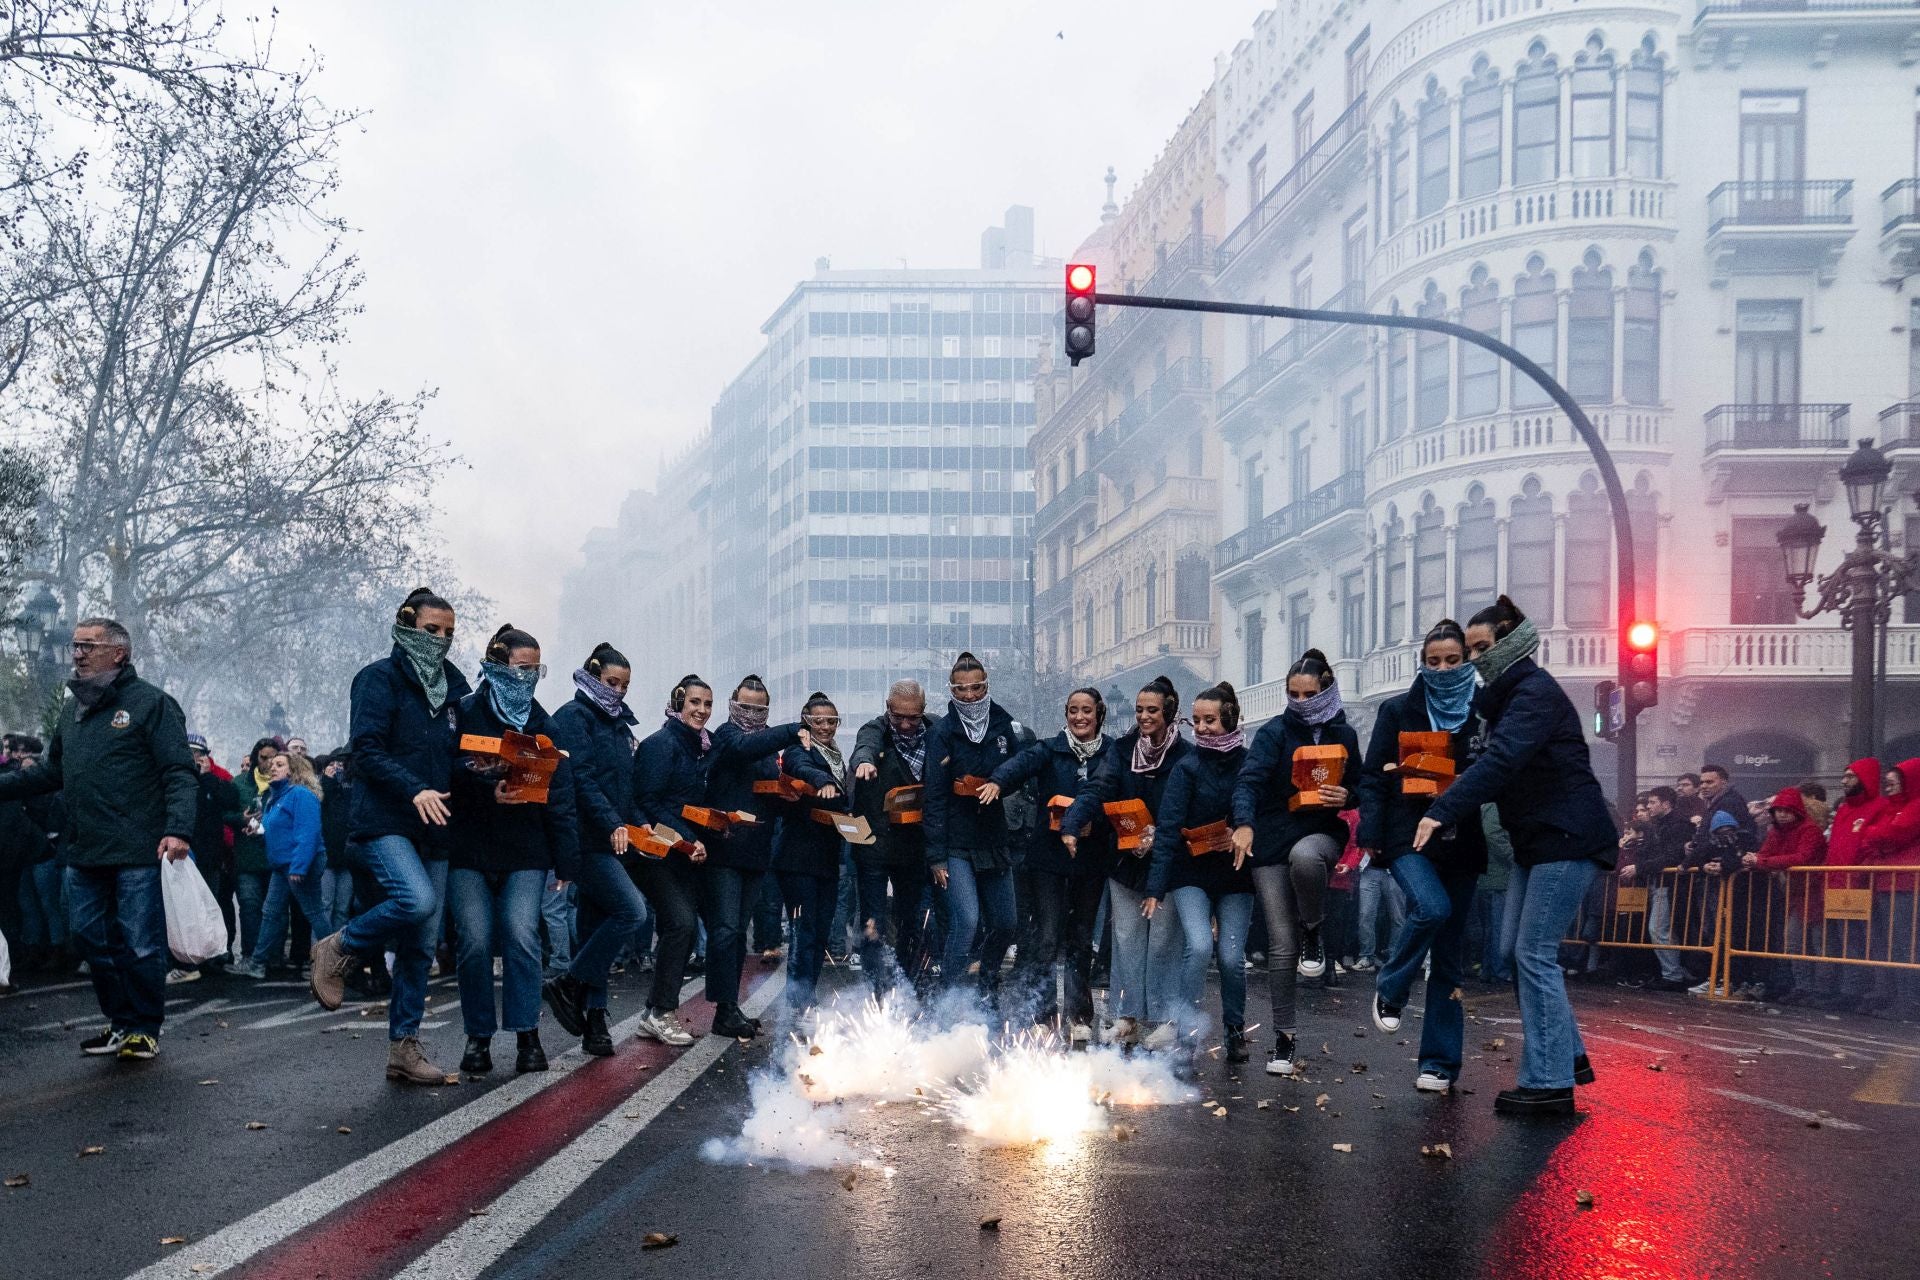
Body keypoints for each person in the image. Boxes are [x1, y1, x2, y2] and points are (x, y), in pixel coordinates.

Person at [1416, 596, 1616, 1117]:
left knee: (1533, 953)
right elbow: (1485, 758)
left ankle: (1548, 1082)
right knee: (1512, 949)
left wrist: (1444, 808)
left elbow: (1502, 761)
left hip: (1565, 836)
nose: (1477, 658)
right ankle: (1566, 1056)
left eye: (1484, 648)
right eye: (1473, 649)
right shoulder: (1508, 699)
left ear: (1510, 643)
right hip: (1539, 841)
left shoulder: (1533, 694)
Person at [0, 618, 197, 1061]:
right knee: (88, 938)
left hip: (138, 850)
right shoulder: (74, 710)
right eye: (75, 645)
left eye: (89, 645)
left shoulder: (152, 705)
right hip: (84, 849)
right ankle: (120, 1022)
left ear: (119, 653)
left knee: (140, 942)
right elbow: (53, 772)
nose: (77, 653)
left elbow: (178, 772)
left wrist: (178, 828)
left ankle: (143, 1028)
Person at [309, 588, 472, 1086]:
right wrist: (415, 787)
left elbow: (458, 756)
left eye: (448, 633)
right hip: (383, 820)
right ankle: (339, 945)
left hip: (436, 824)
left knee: (421, 947)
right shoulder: (377, 679)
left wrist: (488, 773)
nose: (441, 641)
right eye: (431, 630)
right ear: (405, 624)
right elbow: (368, 751)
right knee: (416, 900)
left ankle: (404, 1047)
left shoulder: (454, 689)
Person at [1357, 620, 1487, 1093]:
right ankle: (1391, 986)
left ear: (1468, 661)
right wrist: (1371, 830)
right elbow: (1372, 777)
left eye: (1452, 661)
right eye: (1433, 662)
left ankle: (1437, 1064)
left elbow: (1492, 772)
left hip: (1462, 841)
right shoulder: (1396, 710)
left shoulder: (1482, 713)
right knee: (1431, 907)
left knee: (1450, 961)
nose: (1442, 669)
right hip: (1405, 836)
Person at [444, 625, 576, 1075]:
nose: (530, 678)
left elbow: (560, 794)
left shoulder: (545, 723)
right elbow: (444, 769)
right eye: (522, 668)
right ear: (498, 665)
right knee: (475, 942)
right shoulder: (462, 710)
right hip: (470, 847)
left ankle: (527, 1034)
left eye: (536, 670)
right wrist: (483, 780)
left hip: (526, 848)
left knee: (522, 937)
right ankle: (478, 1037)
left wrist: (565, 858)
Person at [1232, 649, 1360, 1077]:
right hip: (1269, 841)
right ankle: (1284, 1038)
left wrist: (1349, 796)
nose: (1301, 701)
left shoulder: (1345, 733)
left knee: (1307, 859)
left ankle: (1314, 928)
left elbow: (1361, 786)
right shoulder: (1272, 733)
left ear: (1325, 689)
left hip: (1320, 834)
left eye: (1309, 693)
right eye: (1293, 694)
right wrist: (1244, 824)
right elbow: (1247, 782)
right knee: (1279, 946)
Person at [1062, 676, 1189, 1049]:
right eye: (1139, 710)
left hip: (1168, 864)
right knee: (1126, 939)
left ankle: (1165, 1020)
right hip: (1125, 862)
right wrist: (1072, 822)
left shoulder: (1186, 755)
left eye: (1152, 710)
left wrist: (1164, 835)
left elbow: (1192, 807)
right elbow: (1098, 789)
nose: (1144, 717)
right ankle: (1127, 1018)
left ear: (1170, 712)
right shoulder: (1122, 750)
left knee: (1164, 941)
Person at [982, 688, 1114, 1041]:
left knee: (1082, 938)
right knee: (1047, 936)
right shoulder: (1049, 748)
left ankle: (1080, 1016)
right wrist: (997, 780)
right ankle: (1043, 1016)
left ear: (1099, 713)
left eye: (1087, 710)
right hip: (1048, 858)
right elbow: (1019, 765)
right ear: (1065, 714)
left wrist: (1095, 820)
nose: (1079, 717)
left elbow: (1116, 794)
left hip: (1091, 858)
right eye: (1073, 710)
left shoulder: (1112, 752)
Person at [544, 644, 652, 1055]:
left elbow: (626, 787)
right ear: (592, 675)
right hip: (585, 840)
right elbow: (582, 779)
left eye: (625, 685)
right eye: (612, 682)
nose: (619, 692)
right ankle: (568, 983)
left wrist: (637, 821)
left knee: (594, 930)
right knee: (631, 911)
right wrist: (613, 824)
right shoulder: (573, 718)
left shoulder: (620, 725)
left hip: (614, 837)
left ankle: (593, 1019)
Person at [1145, 683, 1253, 1061]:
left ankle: (1235, 1030)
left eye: (1211, 720)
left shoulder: (1249, 763)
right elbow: (1169, 826)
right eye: (1198, 721)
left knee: (1230, 956)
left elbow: (1252, 802)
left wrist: (1241, 829)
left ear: (1230, 719)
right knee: (1200, 945)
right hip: (1189, 873)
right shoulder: (1186, 768)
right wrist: (1155, 887)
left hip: (1236, 875)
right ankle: (1186, 1033)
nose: (1202, 728)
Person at [696, 674, 807, 1038]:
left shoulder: (768, 747)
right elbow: (745, 747)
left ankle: (728, 1006)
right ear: (733, 703)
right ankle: (723, 1006)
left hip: (756, 852)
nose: (751, 713)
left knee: (737, 932)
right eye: (745, 706)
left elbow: (768, 789)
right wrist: (793, 729)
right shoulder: (726, 735)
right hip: (724, 850)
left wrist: (788, 794)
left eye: (759, 709)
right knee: (725, 930)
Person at [923, 652, 1020, 1011]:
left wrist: (998, 782)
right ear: (952, 690)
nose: (968, 696)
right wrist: (934, 855)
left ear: (985, 686)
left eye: (976, 688)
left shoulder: (1002, 725)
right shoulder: (941, 733)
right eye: (961, 690)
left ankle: (987, 981)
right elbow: (933, 795)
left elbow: (1015, 770)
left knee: (1007, 922)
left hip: (993, 837)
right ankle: (948, 994)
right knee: (966, 919)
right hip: (955, 841)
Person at [629, 674, 716, 1046]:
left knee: (678, 929)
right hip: (655, 854)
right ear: (679, 701)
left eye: (707, 704)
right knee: (680, 924)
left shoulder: (701, 747)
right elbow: (649, 802)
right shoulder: (660, 745)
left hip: (685, 857)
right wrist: (689, 837)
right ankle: (660, 1012)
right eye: (695, 702)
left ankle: (656, 1012)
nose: (701, 710)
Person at [849, 680, 936, 997]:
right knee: (874, 923)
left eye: (912, 717)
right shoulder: (874, 730)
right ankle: (875, 991)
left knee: (913, 922)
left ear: (922, 713)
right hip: (874, 844)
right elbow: (864, 746)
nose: (905, 724)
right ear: (887, 709)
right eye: (897, 715)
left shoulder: (936, 732)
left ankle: (910, 988)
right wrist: (865, 762)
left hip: (914, 848)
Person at [775, 692, 851, 1019]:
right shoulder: (798, 749)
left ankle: (809, 992)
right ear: (806, 721)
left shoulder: (837, 755)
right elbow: (799, 767)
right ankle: (798, 996)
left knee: (821, 930)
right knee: (803, 929)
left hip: (827, 857)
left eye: (831, 721)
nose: (825, 727)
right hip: (797, 857)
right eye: (818, 721)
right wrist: (822, 780)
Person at [234, 751, 331, 981]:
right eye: (272, 764)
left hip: (296, 866)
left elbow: (308, 833)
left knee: (315, 913)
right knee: (271, 913)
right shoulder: (277, 797)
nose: (272, 767)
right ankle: (257, 963)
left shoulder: (300, 795)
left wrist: (299, 867)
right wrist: (257, 830)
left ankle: (334, 963)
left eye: (279, 764)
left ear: (293, 770)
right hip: (282, 867)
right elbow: (277, 828)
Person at [1812, 758, 1889, 1011]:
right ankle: (1848, 988)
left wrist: (1859, 875)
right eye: (1844, 776)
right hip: (1837, 883)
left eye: (1850, 776)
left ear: (1864, 779)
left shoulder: (1879, 807)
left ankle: (1864, 989)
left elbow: (1872, 846)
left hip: (1860, 884)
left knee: (1864, 941)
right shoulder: (1845, 809)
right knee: (1844, 940)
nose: (1844, 781)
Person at [1744, 787, 1827, 1005]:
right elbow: (1766, 853)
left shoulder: (1810, 831)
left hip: (1816, 893)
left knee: (1818, 945)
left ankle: (1820, 989)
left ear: (1796, 810)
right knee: (1795, 944)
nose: (1781, 814)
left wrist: (1760, 862)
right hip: (1797, 893)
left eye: (1786, 810)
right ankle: (1803, 986)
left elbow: (1802, 857)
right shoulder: (1777, 832)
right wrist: (1756, 860)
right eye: (1778, 810)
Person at [1858, 759, 1920, 1019]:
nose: (1890, 787)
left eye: (1896, 782)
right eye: (1889, 783)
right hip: (1888, 881)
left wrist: (1877, 837)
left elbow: (1895, 833)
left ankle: (1908, 1000)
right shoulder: (1893, 809)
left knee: (1903, 945)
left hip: (1905, 883)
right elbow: (1871, 837)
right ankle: (1897, 997)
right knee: (1890, 943)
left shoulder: (1915, 806)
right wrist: (1880, 837)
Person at [1618, 786, 1694, 991]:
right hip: (1658, 881)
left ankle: (1673, 975)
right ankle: (1672, 972)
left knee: (1659, 929)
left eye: (1652, 802)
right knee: (1663, 929)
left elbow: (1671, 856)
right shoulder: (1657, 825)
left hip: (1668, 883)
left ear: (1666, 803)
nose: (1648, 807)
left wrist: (1640, 867)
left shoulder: (1678, 825)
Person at [231, 737, 278, 968]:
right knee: (249, 906)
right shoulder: (239, 784)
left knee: (274, 909)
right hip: (247, 858)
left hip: (275, 858)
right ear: (255, 758)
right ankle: (249, 954)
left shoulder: (283, 785)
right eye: (263, 758)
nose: (268, 763)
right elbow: (224, 813)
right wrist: (241, 818)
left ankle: (272, 957)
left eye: (272, 758)